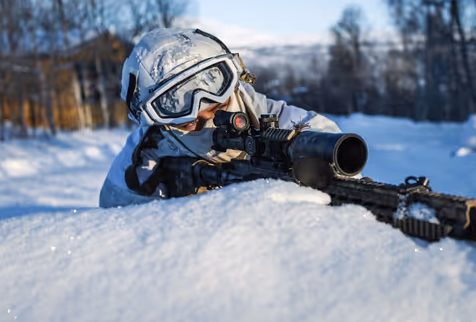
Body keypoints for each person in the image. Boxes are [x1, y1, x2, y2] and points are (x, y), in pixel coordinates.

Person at [99, 28, 341, 208]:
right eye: (184, 114)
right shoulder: (137, 171)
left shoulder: (297, 128)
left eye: (217, 100)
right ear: (155, 120)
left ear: (235, 76)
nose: (205, 113)